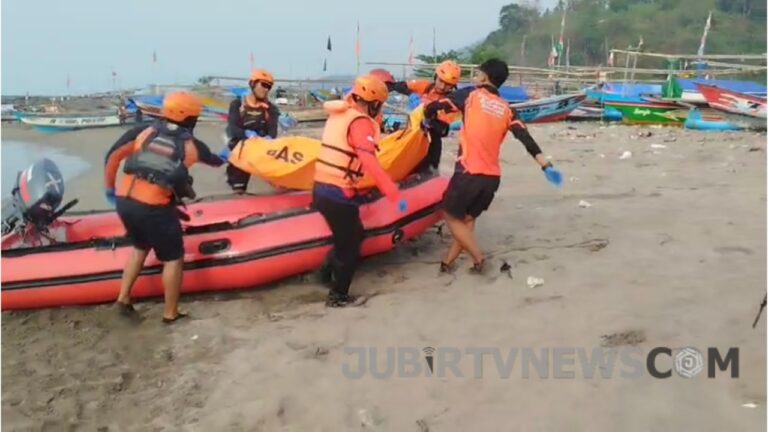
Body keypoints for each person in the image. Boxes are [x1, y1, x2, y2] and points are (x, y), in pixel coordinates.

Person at [422, 58, 563, 274]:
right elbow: (525, 138)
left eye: (478, 73)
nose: (476, 76)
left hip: (469, 171)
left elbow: (435, 106)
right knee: (467, 219)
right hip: (491, 177)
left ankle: (479, 259)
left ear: (484, 77)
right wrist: (546, 165)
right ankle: (447, 263)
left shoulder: (471, 95)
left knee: (449, 214)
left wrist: (427, 118)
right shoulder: (507, 109)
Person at [103, 92, 225, 323]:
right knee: (173, 258)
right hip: (153, 208)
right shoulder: (192, 145)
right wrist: (229, 155)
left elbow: (113, 157)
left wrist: (109, 189)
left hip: (125, 202)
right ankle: (170, 314)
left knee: (140, 247)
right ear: (189, 118)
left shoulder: (144, 131)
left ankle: (123, 299)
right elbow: (216, 161)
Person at [313, 75, 408, 307]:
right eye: (380, 105)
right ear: (374, 102)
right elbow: (368, 161)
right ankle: (338, 296)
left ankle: (324, 275)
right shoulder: (360, 122)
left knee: (353, 234)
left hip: (321, 188)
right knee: (350, 247)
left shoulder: (341, 113)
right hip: (337, 193)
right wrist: (392, 192)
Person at [371, 60, 462, 173]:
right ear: (435, 76)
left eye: (448, 84)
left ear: (453, 86)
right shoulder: (425, 86)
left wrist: (427, 113)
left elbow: (443, 130)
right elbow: (397, 86)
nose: (442, 87)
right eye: (441, 81)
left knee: (428, 176)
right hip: (412, 137)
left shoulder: (451, 102)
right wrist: (411, 94)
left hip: (431, 143)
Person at [221, 68, 281, 193]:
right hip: (241, 147)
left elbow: (272, 132)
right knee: (238, 184)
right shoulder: (237, 104)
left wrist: (266, 140)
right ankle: (238, 188)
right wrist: (247, 134)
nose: (266, 89)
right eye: (263, 84)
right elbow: (233, 128)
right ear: (253, 83)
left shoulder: (271, 109)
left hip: (262, 147)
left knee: (279, 180)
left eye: (269, 87)